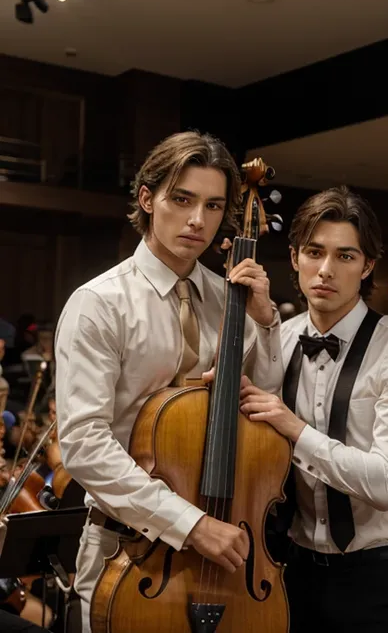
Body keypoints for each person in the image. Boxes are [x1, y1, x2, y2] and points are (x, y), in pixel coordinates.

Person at [55, 131, 283, 632]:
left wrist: (265, 323)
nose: (198, 219)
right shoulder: (99, 304)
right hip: (127, 547)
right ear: (146, 198)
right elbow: (84, 444)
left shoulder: (231, 299)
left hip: (227, 540)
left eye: (213, 205)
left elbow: (263, 411)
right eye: (182, 199)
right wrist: (190, 524)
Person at [239, 186, 388, 633]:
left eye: (345, 256)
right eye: (315, 252)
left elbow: (386, 483)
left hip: (381, 580)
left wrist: (294, 428)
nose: (326, 270)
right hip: (289, 572)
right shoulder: (277, 338)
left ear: (368, 265)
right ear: (294, 257)